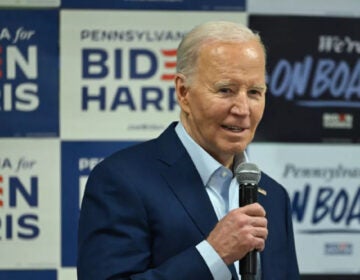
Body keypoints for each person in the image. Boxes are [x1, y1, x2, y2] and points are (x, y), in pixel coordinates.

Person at [77, 21, 300, 280]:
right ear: (183, 93)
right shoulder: (120, 180)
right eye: (225, 90)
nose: (242, 109)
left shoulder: (274, 197)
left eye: (254, 92)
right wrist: (213, 256)